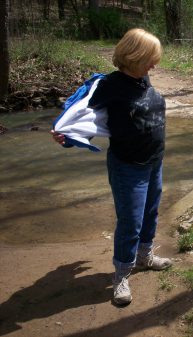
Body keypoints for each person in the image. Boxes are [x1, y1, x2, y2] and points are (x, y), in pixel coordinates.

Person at [51, 28, 173, 306]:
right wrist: (67, 138)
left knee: (151, 213)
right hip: (128, 167)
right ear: (134, 57)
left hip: (155, 161)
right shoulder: (109, 86)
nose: (155, 65)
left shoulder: (142, 78)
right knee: (130, 222)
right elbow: (83, 118)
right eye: (151, 59)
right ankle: (121, 275)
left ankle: (144, 256)